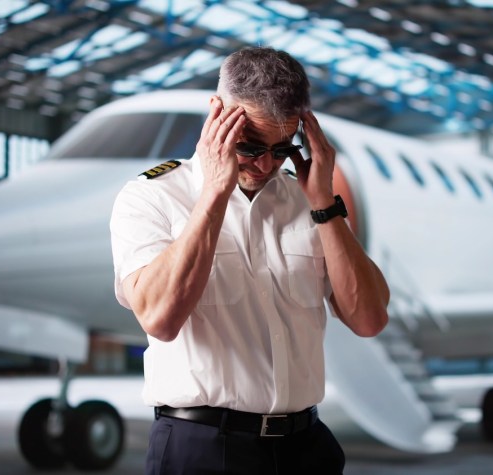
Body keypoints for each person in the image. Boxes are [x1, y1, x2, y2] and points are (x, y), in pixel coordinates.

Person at [110, 46, 390, 475]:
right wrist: (214, 195)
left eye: (282, 149)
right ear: (215, 112)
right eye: (251, 145)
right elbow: (161, 318)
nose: (265, 164)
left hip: (305, 448)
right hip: (203, 449)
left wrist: (324, 203)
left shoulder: (310, 202)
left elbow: (369, 319)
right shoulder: (151, 197)